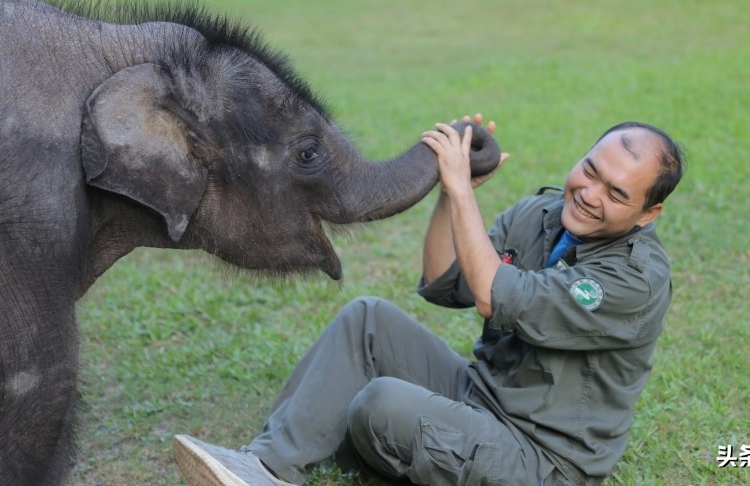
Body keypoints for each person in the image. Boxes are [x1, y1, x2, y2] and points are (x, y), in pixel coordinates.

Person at [174, 115, 685, 486]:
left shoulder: (635, 280)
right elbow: (448, 279)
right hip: (480, 397)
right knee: (367, 318)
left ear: (648, 213)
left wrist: (466, 193)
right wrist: (449, 193)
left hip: (542, 458)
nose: (590, 194)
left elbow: (492, 294)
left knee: (380, 405)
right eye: (590, 170)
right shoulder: (543, 212)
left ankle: (324, 446)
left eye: (616, 194)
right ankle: (265, 467)